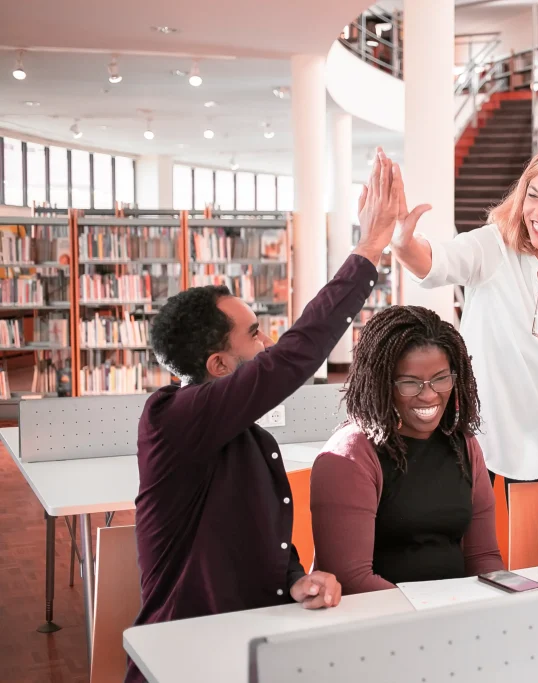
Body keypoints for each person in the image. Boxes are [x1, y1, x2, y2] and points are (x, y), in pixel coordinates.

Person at [127, 150, 401, 682]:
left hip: (254, 644)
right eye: (254, 334)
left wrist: (294, 578)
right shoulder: (172, 418)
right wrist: (367, 249)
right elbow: (291, 358)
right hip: (186, 659)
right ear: (218, 364)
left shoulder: (244, 435)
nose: (268, 342)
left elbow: (253, 533)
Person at [390, 144, 538, 491]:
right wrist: (404, 245)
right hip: (476, 452)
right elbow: (439, 261)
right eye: (533, 195)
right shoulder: (495, 248)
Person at [310, 306, 503, 593]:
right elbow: (351, 580)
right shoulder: (349, 455)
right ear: (381, 383)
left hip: (455, 615)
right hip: (383, 622)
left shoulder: (464, 445)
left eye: (440, 378)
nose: (428, 394)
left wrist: (508, 597)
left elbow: (483, 557)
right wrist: (431, 615)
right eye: (410, 383)